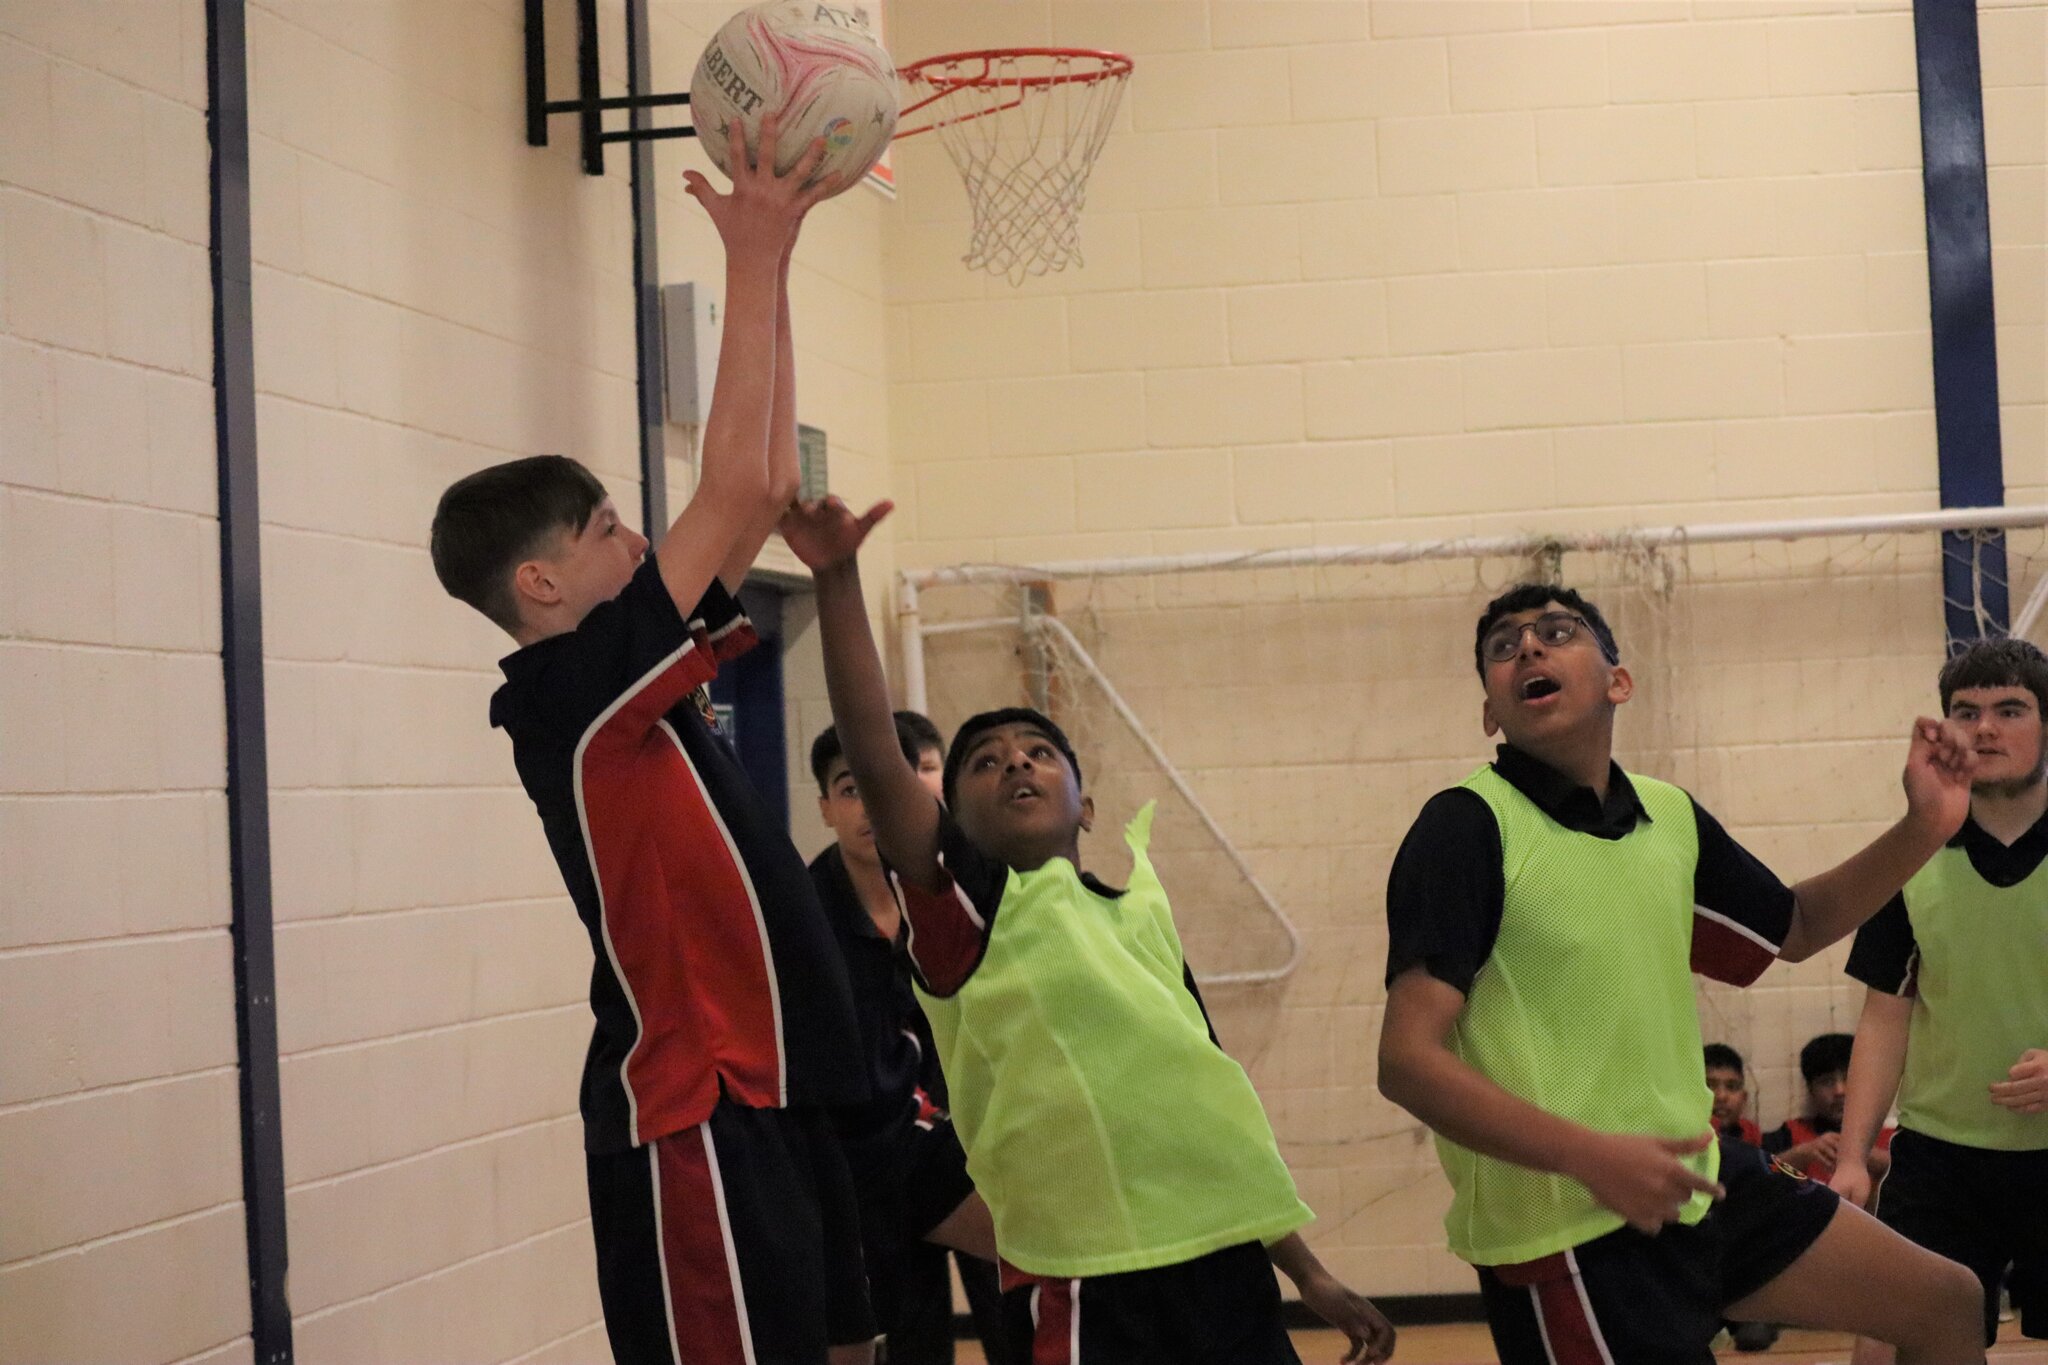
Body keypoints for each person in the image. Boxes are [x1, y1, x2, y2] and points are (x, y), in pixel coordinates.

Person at [429, 119, 875, 1365]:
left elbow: (764, 481)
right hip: (693, 1106)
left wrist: (777, 265)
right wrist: (755, 245)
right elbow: (729, 491)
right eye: (608, 527)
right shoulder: (569, 695)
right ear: (541, 582)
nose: (637, 542)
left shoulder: (628, 685)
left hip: (764, 1096)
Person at [781, 494, 1396, 1365]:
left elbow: (1217, 1122)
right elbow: (879, 761)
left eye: (1037, 751)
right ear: (948, 816)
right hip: (1087, 1284)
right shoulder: (968, 916)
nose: (1017, 762)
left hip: (1224, 1264)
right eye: (985, 763)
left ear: (1086, 802)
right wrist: (837, 577)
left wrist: (1307, 1268)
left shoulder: (1140, 909)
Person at [1376, 583, 1987, 1365]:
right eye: (1503, 646)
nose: (1527, 647)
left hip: (1702, 1184)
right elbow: (1406, 1060)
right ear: (1493, 712)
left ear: (1618, 681)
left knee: (1947, 1301)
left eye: (1556, 632)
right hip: (1567, 1233)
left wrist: (1925, 825)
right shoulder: (1463, 827)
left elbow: (1793, 927)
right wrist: (1591, 1154)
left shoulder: (1668, 815)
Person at [1835, 637, 2048, 1362]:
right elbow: (1885, 1013)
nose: (1985, 728)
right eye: (1967, 712)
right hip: (1944, 1155)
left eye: (2010, 709)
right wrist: (1855, 1152)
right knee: (1891, 1345)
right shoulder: (1911, 854)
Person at [808, 716, 1010, 1365]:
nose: (874, 799)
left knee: (1025, 1327)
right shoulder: (805, 916)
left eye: (906, 771)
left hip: (991, 1149)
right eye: (851, 786)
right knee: (912, 1345)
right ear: (827, 808)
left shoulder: (980, 887)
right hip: (878, 1176)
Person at [1763, 1033, 1894, 1186]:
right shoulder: (1788, 1134)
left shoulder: (1894, 1139)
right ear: (1810, 1090)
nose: (1839, 1091)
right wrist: (1802, 1154)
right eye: (1826, 1082)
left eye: (1849, 1078)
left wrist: (1874, 1160)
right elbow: (1756, 1180)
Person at [1705, 1043, 1762, 1147]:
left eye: (1731, 1087)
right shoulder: (1677, 1139)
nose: (1721, 1096)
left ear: (1744, 1098)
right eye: (1709, 1086)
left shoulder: (1751, 1136)